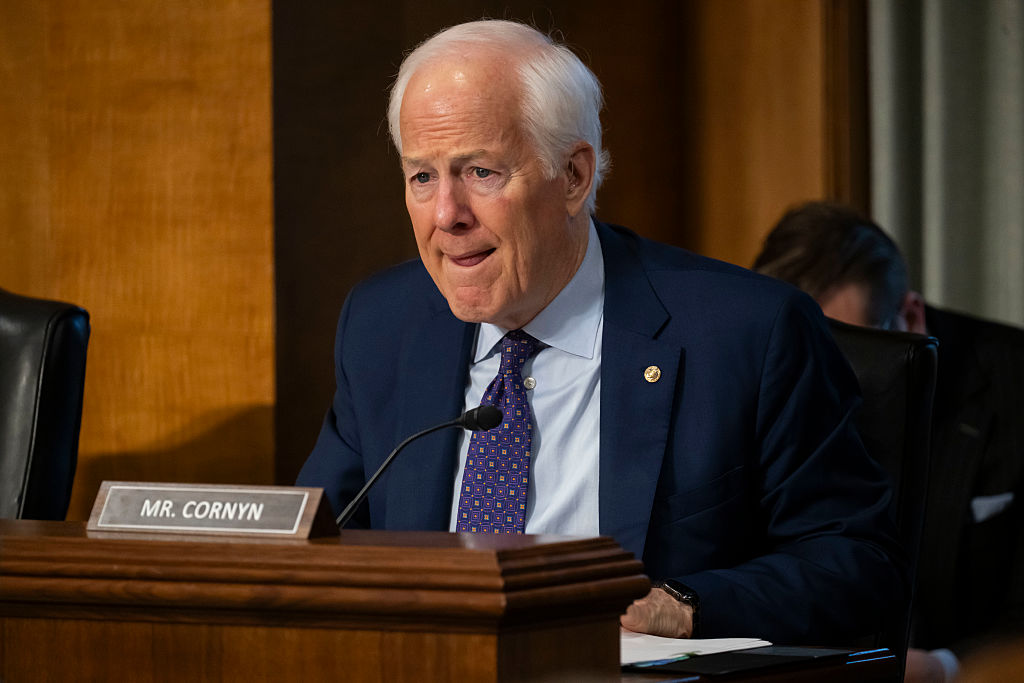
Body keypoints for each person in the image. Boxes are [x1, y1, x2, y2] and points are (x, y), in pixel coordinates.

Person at [297, 20, 906, 644]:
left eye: (479, 171)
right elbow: (313, 544)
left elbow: (858, 567)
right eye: (422, 176)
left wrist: (686, 604)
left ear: (573, 177)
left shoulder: (748, 333)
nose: (447, 214)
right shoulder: (382, 325)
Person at [753, 201, 1024, 682]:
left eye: (849, 357)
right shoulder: (760, 386)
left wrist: (945, 670)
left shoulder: (1014, 386)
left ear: (910, 318)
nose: (819, 388)